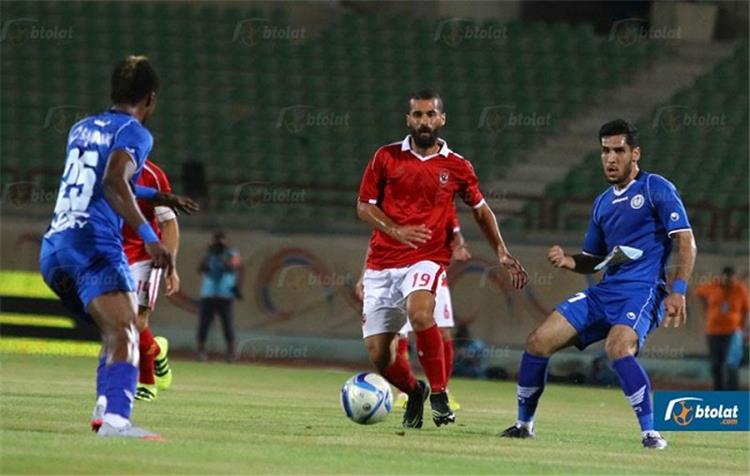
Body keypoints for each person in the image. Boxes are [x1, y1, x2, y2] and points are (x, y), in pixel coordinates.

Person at [500, 119, 697, 449]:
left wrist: (678, 290)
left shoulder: (656, 188)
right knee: (537, 341)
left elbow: (686, 240)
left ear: (635, 153)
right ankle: (524, 425)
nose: (611, 158)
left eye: (618, 150)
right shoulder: (602, 203)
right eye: (605, 151)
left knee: (617, 347)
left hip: (642, 291)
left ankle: (651, 433)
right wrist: (569, 261)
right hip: (606, 291)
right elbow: (593, 259)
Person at [38, 56, 199, 439]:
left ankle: (103, 409)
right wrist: (150, 237)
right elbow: (113, 182)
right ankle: (116, 421)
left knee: (113, 327)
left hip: (55, 246)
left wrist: (155, 194)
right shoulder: (135, 132)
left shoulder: (81, 127)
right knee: (126, 329)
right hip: (93, 244)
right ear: (151, 98)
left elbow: (98, 179)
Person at [356, 89, 528, 429]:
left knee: (421, 314)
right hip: (382, 262)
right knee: (379, 355)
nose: (424, 121)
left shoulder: (458, 166)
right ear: (408, 119)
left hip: (427, 257)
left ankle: (439, 392)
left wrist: (501, 250)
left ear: (442, 119)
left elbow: (481, 210)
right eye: (418, 115)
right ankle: (414, 391)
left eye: (430, 114)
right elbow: (364, 206)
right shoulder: (386, 157)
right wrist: (395, 230)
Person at [356, 205, 471, 411]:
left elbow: (455, 233)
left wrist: (458, 245)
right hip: (392, 272)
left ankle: (442, 390)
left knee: (441, 330)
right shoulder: (391, 201)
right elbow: (375, 238)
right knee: (396, 337)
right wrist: (364, 275)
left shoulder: (442, 198)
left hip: (427, 270)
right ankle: (405, 392)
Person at [122, 159, 179, 401]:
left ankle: (147, 384)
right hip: (112, 253)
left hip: (146, 255)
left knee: (137, 320)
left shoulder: (153, 175)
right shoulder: (99, 169)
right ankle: (157, 351)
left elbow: (168, 222)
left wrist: (170, 265)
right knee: (117, 321)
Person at [695, 266, 749, 390]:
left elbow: (746, 310)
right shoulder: (713, 286)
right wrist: (705, 309)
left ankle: (732, 393)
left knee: (731, 363)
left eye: (731, 279)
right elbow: (699, 292)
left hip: (733, 331)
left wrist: (744, 329)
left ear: (734, 278)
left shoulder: (739, 289)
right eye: (726, 279)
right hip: (713, 332)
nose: (728, 282)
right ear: (722, 277)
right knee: (716, 364)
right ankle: (718, 392)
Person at [197, 231, 244, 362]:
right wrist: (208, 256)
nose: (218, 244)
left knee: (227, 325)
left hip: (225, 294)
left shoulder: (231, 253)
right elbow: (200, 269)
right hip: (208, 294)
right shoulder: (208, 253)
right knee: (204, 325)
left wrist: (222, 257)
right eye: (216, 241)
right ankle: (201, 352)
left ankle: (231, 353)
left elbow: (235, 266)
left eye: (221, 241)